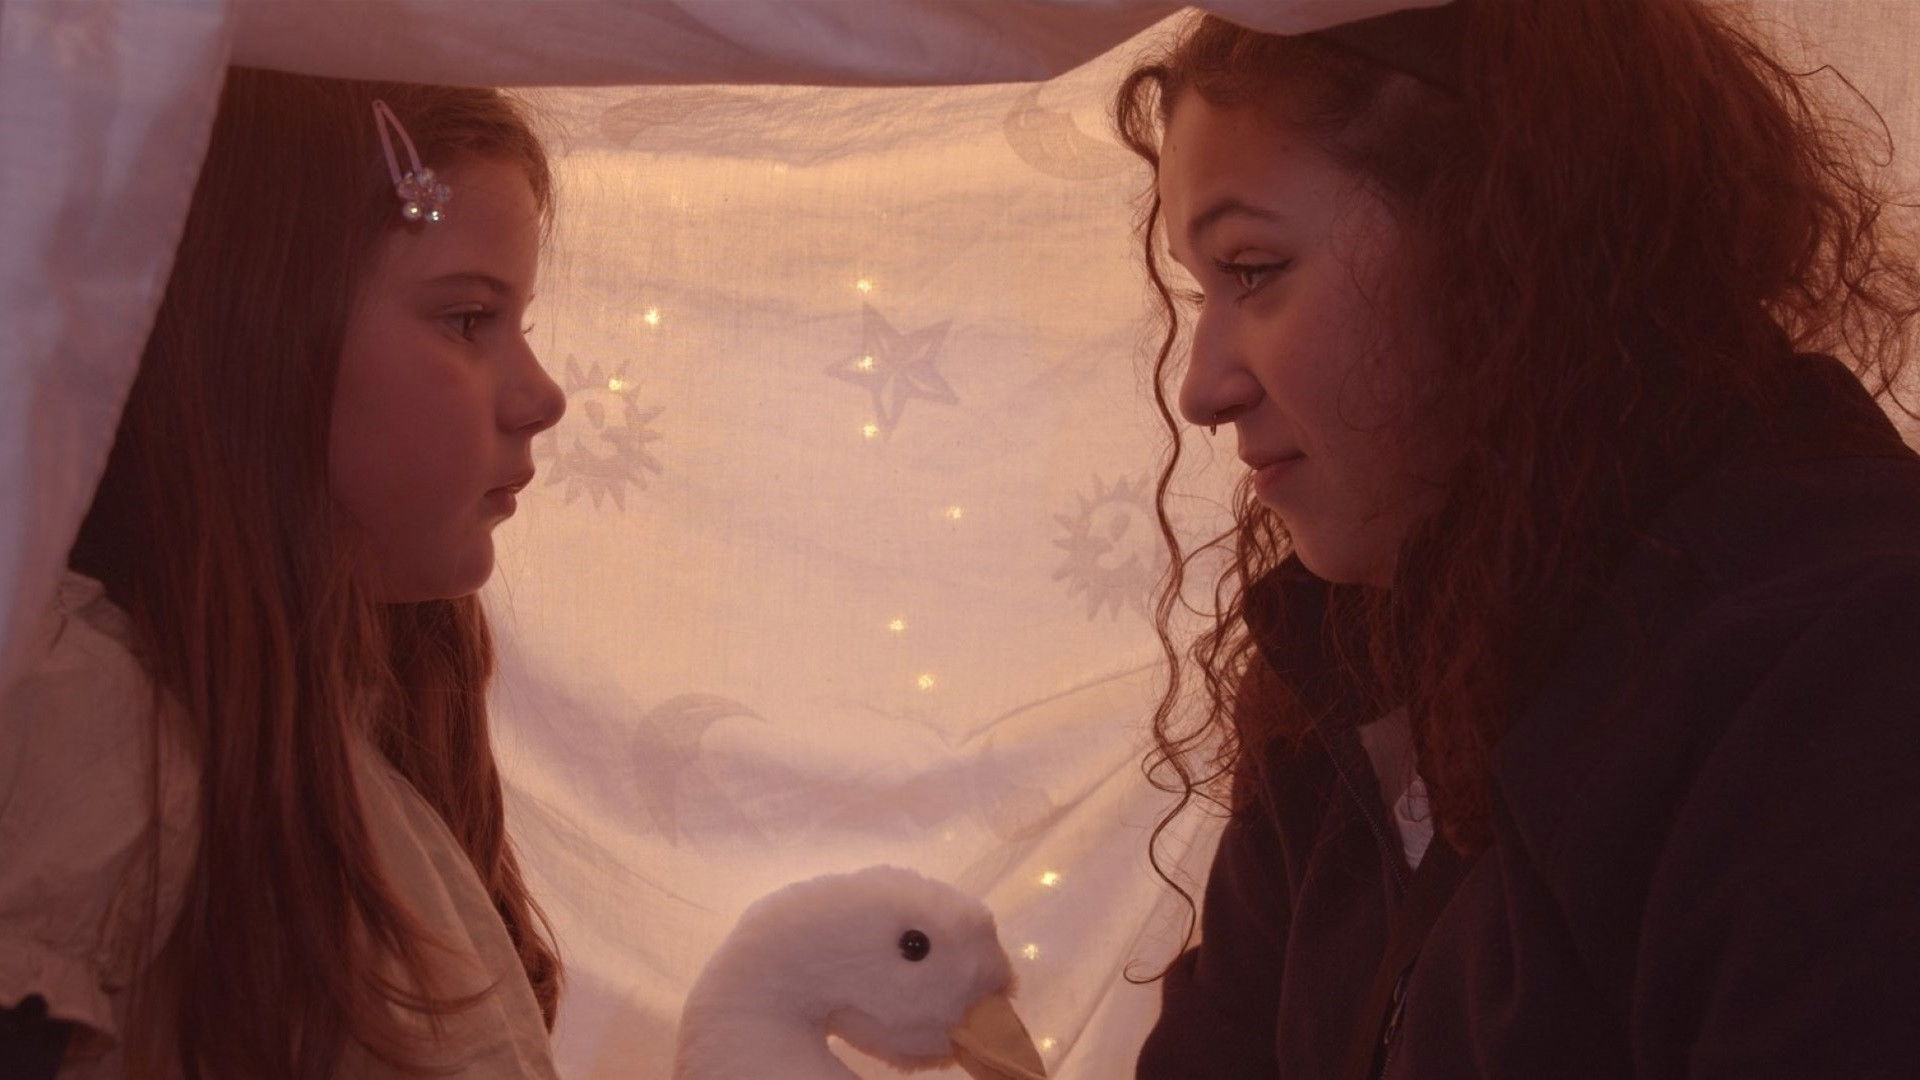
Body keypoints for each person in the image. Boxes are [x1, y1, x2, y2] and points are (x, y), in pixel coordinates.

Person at [1115, 1, 1920, 1076]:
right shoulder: (1358, 667)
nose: (1202, 389)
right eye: (1200, 289)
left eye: (1252, 270)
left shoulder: (1851, 675)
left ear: (1510, 240)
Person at [0, 69, 568, 1077]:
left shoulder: (360, 726)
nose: (543, 396)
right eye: (467, 319)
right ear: (252, 337)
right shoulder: (91, 739)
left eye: (517, 324)